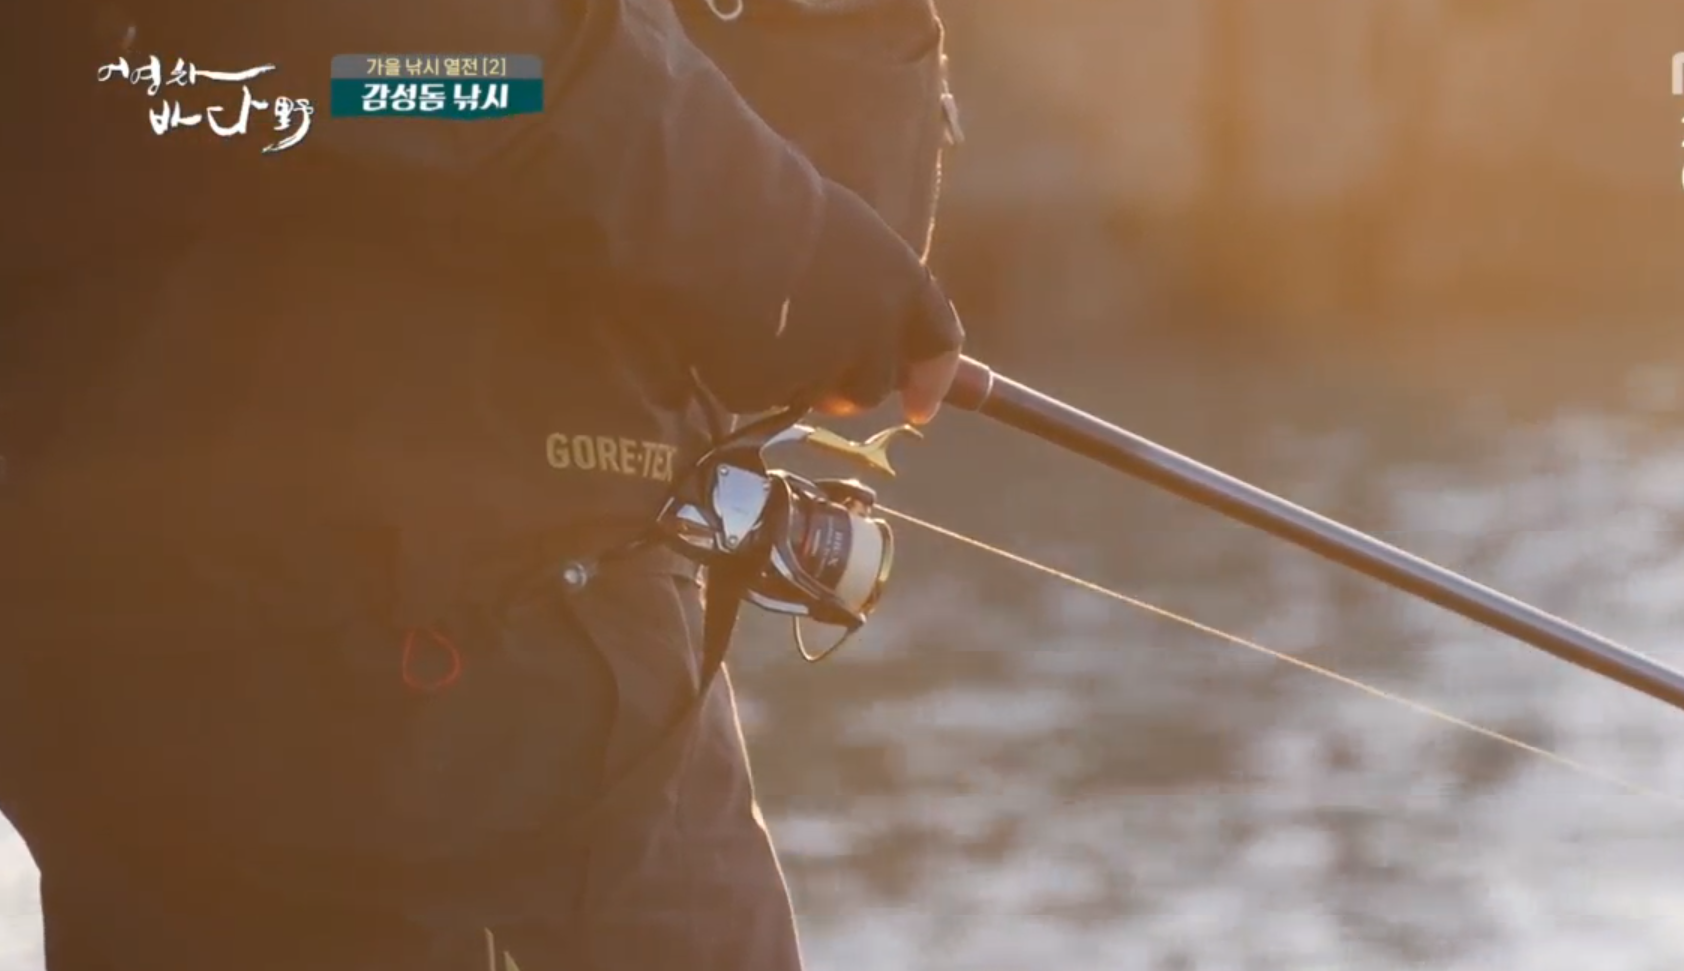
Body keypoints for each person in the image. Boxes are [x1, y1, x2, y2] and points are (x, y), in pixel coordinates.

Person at [0, 0, 964, 968]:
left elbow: (812, 295)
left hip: (573, 652)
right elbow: (388, 68)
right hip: (349, 666)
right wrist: (782, 233)